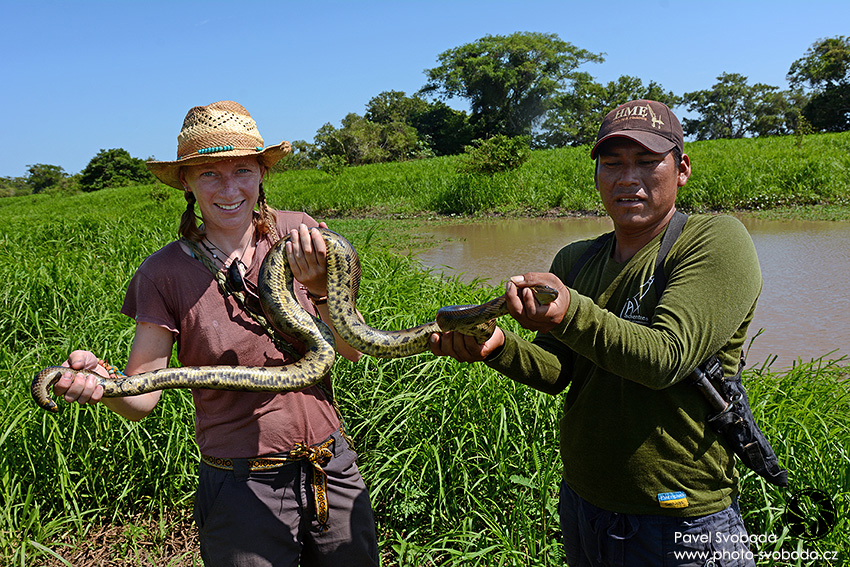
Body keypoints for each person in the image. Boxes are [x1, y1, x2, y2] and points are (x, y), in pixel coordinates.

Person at [430, 99, 761, 566]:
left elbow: (667, 358)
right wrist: (499, 347)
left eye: (647, 162)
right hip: (585, 505)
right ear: (597, 175)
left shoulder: (714, 240)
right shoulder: (576, 261)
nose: (628, 179)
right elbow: (559, 371)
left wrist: (570, 314)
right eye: (612, 164)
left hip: (682, 517)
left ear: (681, 169)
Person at [53, 100, 380, 567]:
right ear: (186, 181)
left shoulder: (300, 235)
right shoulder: (162, 273)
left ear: (262, 174)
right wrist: (100, 385)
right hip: (241, 487)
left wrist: (322, 290)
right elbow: (141, 400)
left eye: (243, 170)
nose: (230, 188)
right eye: (209, 173)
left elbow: (350, 348)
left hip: (330, 467)